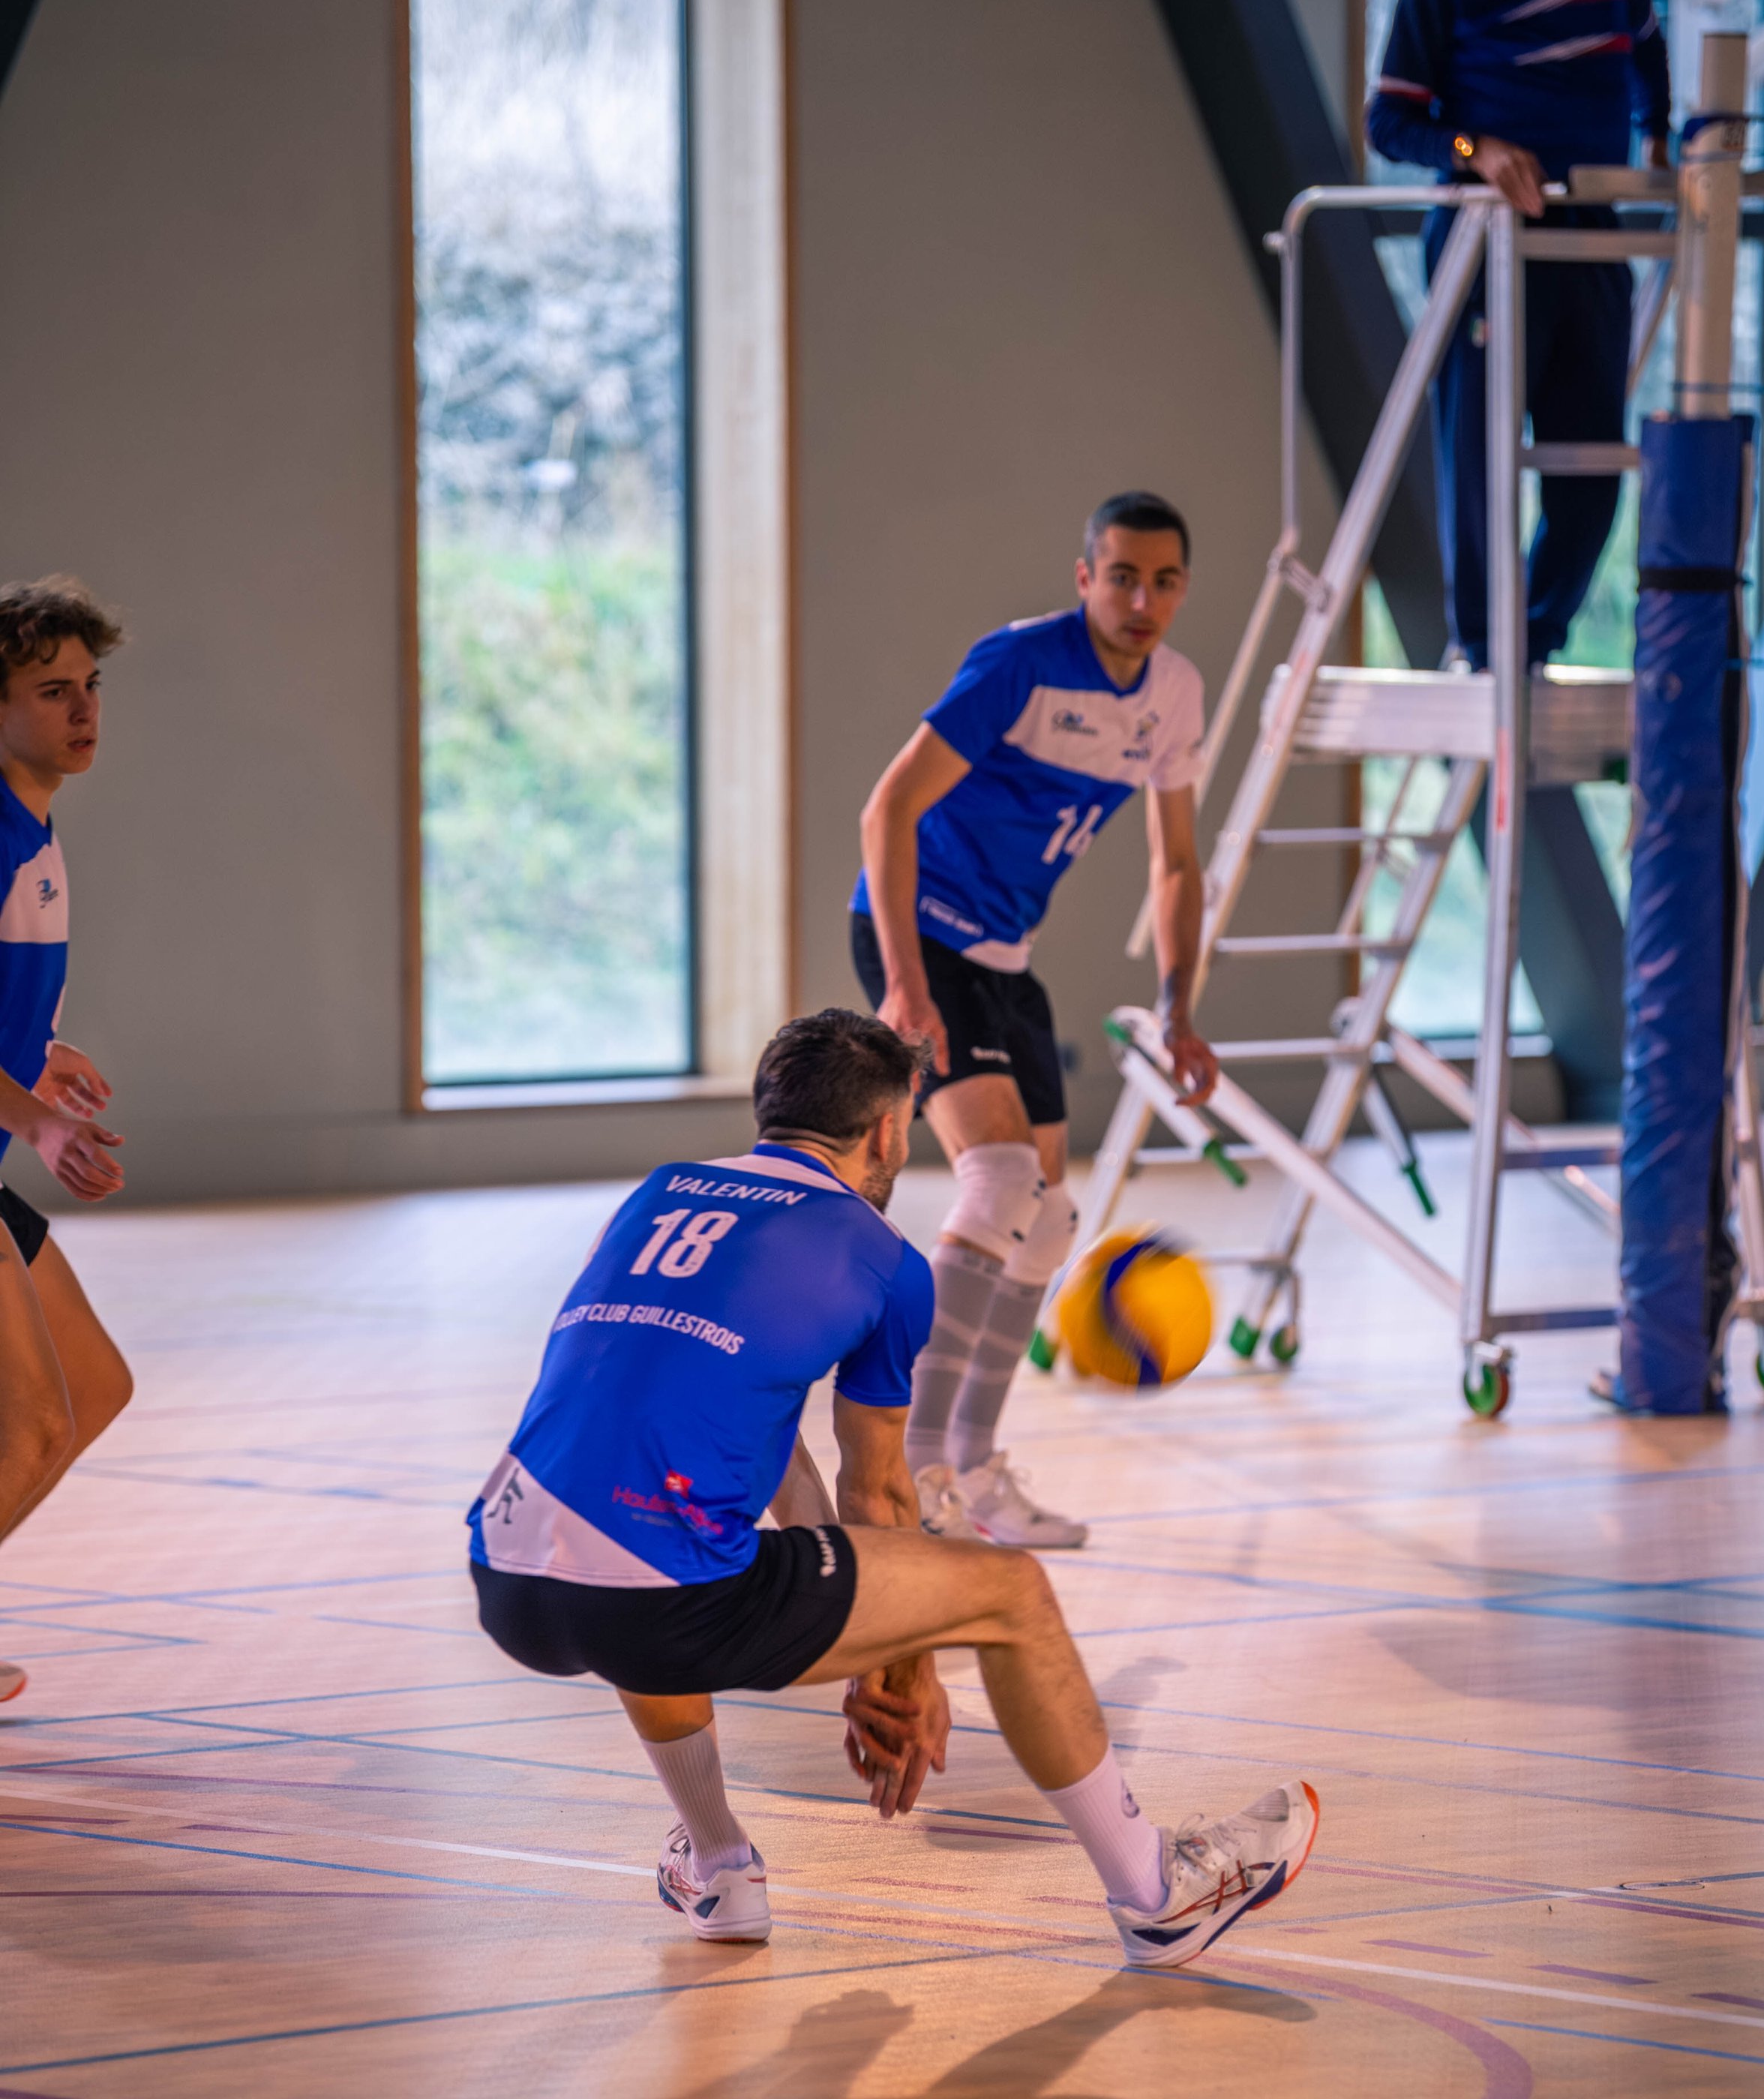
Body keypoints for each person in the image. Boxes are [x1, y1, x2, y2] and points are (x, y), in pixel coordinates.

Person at [468, 1006, 1317, 1966]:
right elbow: (877, 1497)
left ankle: (721, 1866)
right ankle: (1158, 1895)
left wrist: (877, 1643)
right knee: (1012, 1595)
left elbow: (741, 1426)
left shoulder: (657, 1197)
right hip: (663, 1603)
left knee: (644, 1527)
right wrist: (905, 1671)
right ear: (885, 1129)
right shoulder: (881, 1259)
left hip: (508, 1574)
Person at [850, 491, 1219, 1554]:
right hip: (918, 928)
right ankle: (912, 1470)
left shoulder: (1176, 694)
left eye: (1164, 581)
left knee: (1049, 1218)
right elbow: (889, 809)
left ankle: (974, 1469)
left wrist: (1180, 1007)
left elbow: (1178, 861)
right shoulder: (1021, 664)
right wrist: (907, 986)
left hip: (1007, 955)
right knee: (1002, 1180)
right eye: (1122, 576)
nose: (1142, 599)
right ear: (1084, 578)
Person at [1366, 0, 1672, 669]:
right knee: (1480, 455)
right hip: (1485, 238)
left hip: (1590, 232)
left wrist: (1658, 132)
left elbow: (1645, 48)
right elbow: (1390, 121)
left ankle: (1530, 637)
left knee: (1591, 469)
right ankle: (1478, 642)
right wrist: (1477, 152)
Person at [0, 578, 136, 1704]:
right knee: (34, 1423)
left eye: (89, 687)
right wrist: (39, 1122)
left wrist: (39, 1057)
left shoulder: (34, 827)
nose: (83, 710)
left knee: (92, 1390)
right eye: (52, 691)